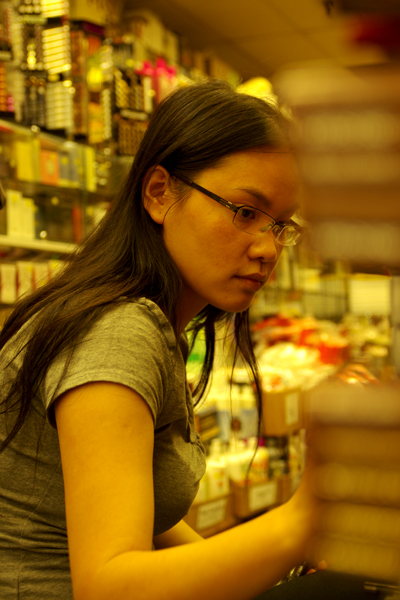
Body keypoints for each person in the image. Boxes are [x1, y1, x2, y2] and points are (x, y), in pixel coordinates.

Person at [0, 79, 315, 600]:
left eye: (281, 225)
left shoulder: (150, 321)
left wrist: (269, 564)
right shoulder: (117, 329)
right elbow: (108, 586)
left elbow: (146, 517)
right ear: (159, 193)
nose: (267, 248)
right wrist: (303, 521)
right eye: (245, 212)